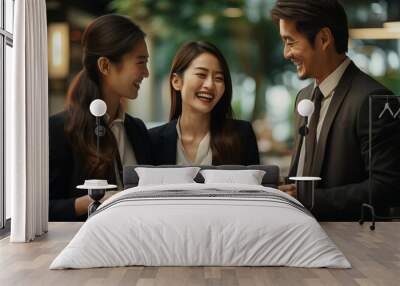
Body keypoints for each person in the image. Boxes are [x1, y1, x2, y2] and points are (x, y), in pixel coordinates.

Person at [272, 0, 400, 220]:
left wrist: (313, 199)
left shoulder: (375, 99)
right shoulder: (303, 97)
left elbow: (387, 187)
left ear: (323, 39)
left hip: (350, 245)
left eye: (290, 42)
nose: (286, 53)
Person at [49, 14, 153, 221]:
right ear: (105, 66)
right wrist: (90, 202)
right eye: (140, 63)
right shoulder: (58, 130)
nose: (146, 73)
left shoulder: (136, 130)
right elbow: (40, 209)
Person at [149, 41, 259, 166]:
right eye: (201, 74)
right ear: (176, 81)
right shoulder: (152, 140)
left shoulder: (241, 135)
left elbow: (254, 185)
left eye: (218, 78)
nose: (210, 85)